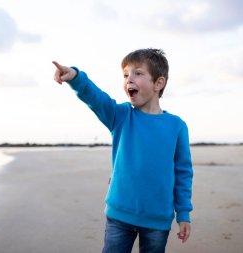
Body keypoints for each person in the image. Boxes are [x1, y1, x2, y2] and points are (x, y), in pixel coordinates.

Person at [52, 48, 193, 253]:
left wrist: (184, 213)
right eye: (125, 75)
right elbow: (96, 98)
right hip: (119, 214)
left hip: (157, 219)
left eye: (138, 73)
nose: (129, 79)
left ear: (158, 83)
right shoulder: (120, 116)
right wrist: (75, 77)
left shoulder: (177, 126)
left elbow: (183, 173)